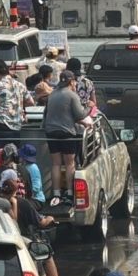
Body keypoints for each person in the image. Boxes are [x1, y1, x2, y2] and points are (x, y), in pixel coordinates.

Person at [44, 70, 92, 206]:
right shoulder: (72, 95)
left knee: (56, 163)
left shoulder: (52, 94)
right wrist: (89, 106)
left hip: (50, 132)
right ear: (71, 82)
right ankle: (70, 193)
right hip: (66, 132)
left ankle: (56, 193)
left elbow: (46, 114)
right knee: (69, 163)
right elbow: (80, 114)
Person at [0, 59, 35, 154]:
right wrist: (16, 104)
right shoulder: (20, 85)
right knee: (13, 157)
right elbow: (31, 102)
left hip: (2, 126)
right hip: (16, 128)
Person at [19, 144, 46, 209]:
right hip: (26, 197)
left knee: (22, 206)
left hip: (37, 199)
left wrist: (26, 193)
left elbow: (36, 187)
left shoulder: (33, 168)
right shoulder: (21, 166)